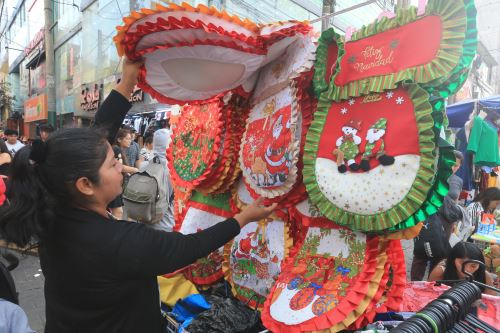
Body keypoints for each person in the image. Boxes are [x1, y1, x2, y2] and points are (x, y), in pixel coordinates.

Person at [0, 58, 278, 333]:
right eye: (112, 163)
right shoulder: (117, 241)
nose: (121, 167)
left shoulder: (53, 208)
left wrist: (127, 82)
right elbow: (188, 247)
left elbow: (97, 135)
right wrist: (243, 218)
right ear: (85, 184)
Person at [428, 242, 497, 296]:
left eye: (473, 266)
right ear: (453, 259)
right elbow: (428, 294)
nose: (467, 269)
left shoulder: (485, 276)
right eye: (462, 263)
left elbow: (490, 302)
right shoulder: (440, 272)